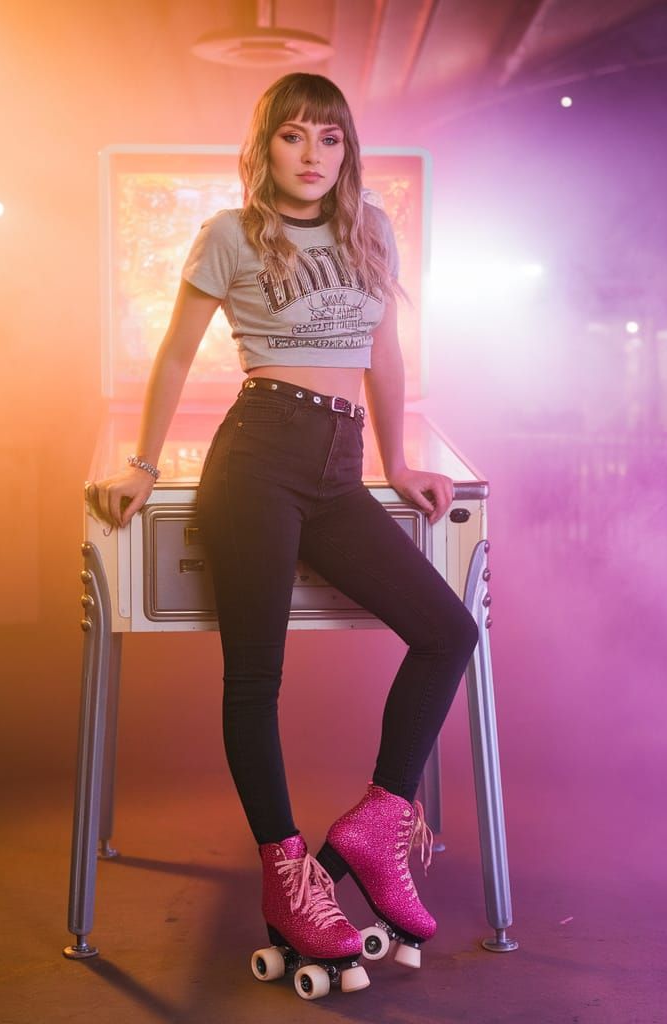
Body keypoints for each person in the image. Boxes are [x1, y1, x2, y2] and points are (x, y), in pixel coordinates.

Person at [86, 72, 478, 989]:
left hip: (338, 474)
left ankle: (378, 828)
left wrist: (396, 462)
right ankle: (290, 873)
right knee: (256, 676)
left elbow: (384, 354)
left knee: (448, 630)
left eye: (330, 139)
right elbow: (177, 352)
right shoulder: (228, 235)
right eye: (294, 138)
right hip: (256, 458)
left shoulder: (370, 231)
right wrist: (142, 465)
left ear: (348, 149)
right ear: (266, 148)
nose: (313, 156)